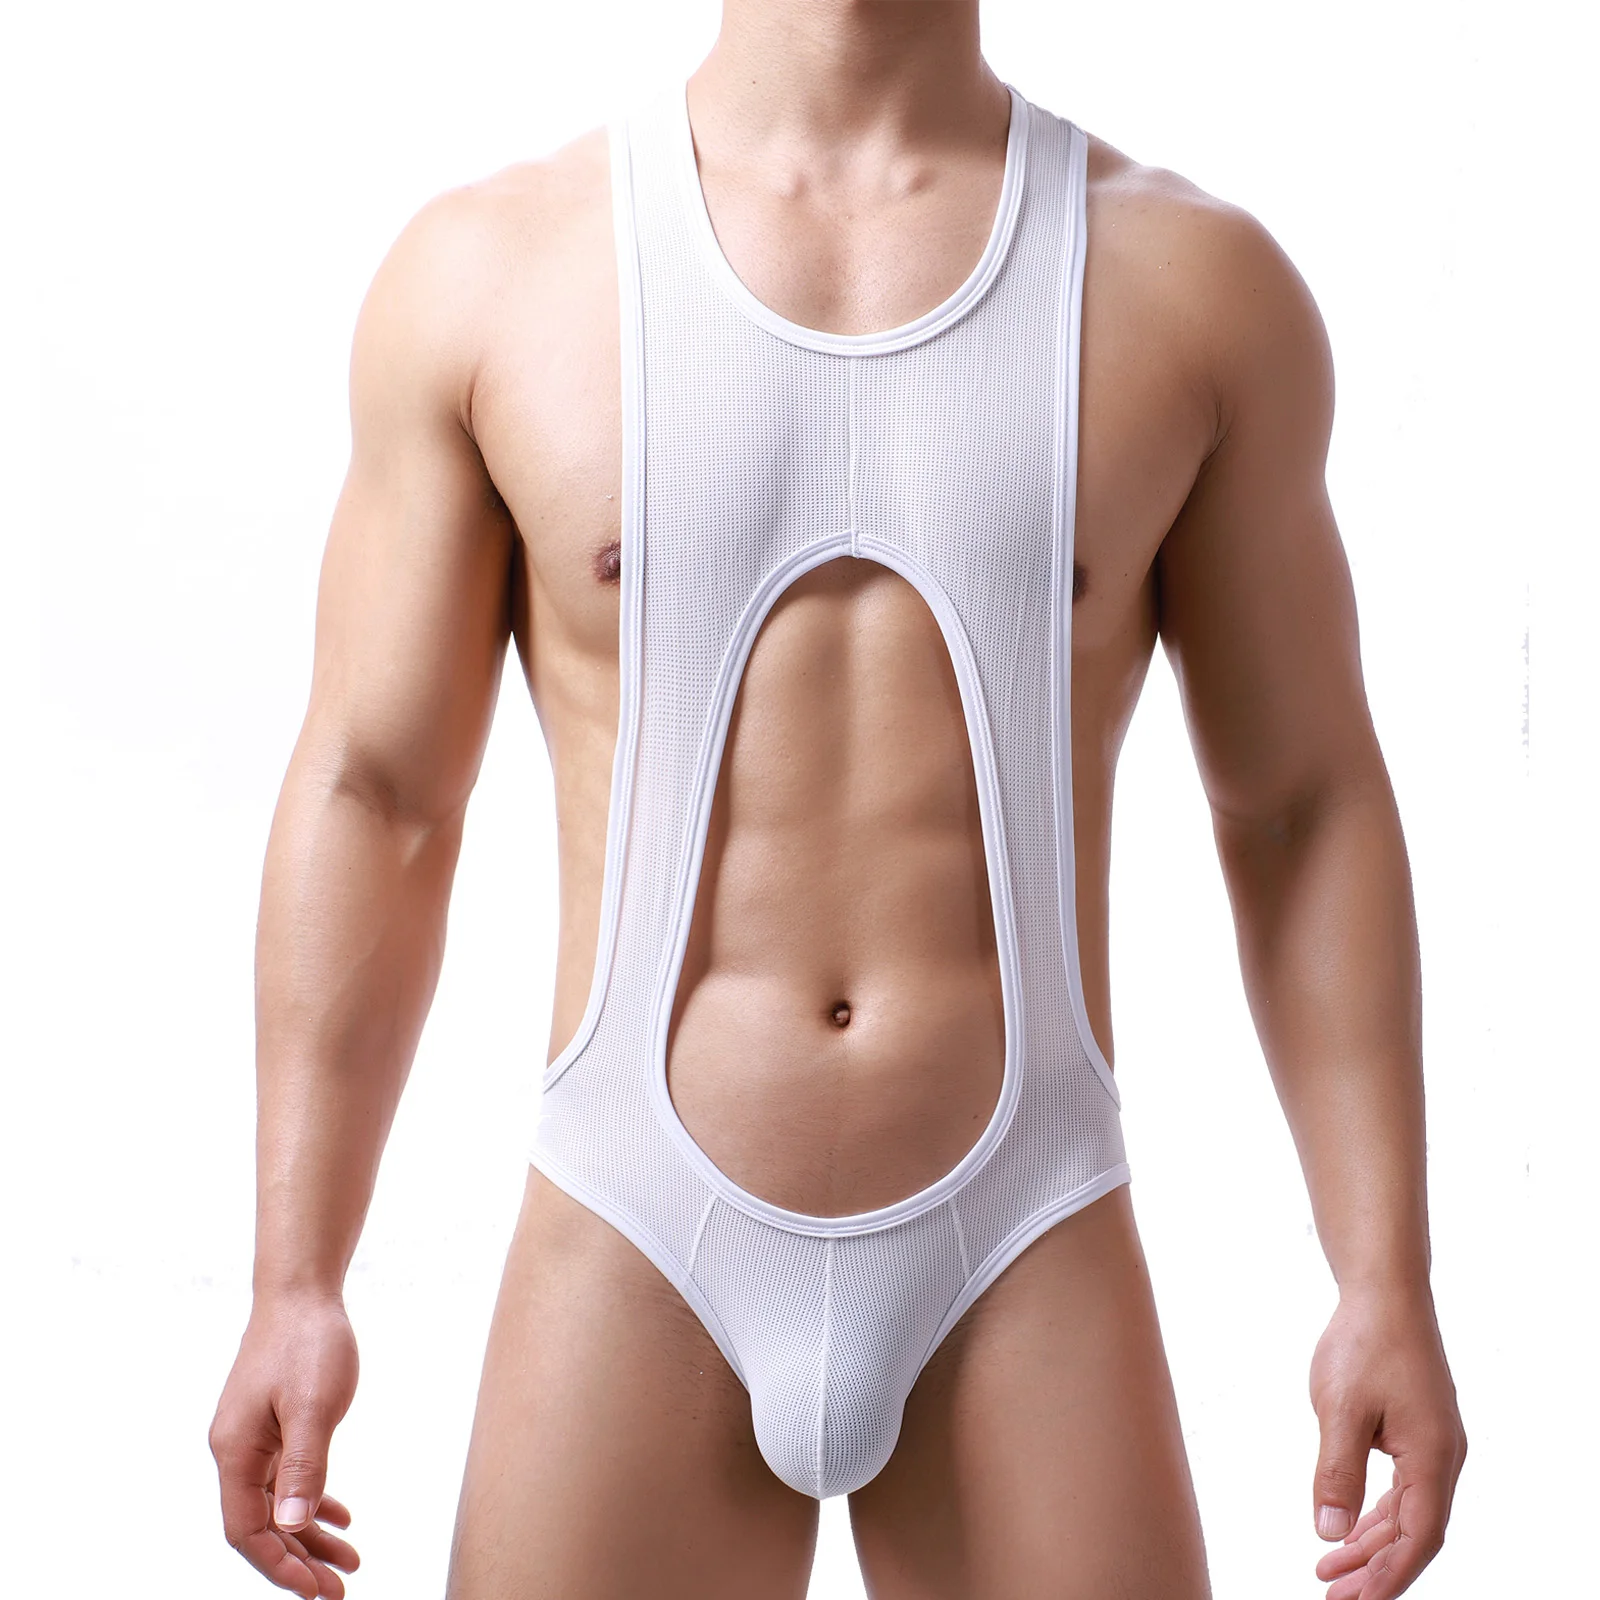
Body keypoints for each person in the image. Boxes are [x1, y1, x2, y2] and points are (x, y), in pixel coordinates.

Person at [208, 2, 1466, 1596]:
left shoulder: (1194, 289)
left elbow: (1301, 804)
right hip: (633, 1224)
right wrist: (295, 1278)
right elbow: (378, 792)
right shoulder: (496, 276)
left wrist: (1385, 1276)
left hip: (1026, 1233)